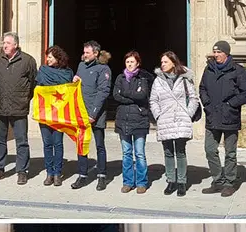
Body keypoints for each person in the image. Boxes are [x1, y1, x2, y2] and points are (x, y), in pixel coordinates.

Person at [199, 40, 246, 197]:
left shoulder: (238, 70)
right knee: (210, 149)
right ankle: (218, 180)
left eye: (219, 52)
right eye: (214, 52)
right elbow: (202, 88)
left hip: (230, 116)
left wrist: (231, 104)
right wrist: (207, 103)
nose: (216, 55)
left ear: (226, 53)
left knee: (230, 152)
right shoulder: (209, 69)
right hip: (212, 116)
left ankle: (229, 182)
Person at [0, 32, 37, 185]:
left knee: (21, 141)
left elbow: (33, 82)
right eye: (4, 43)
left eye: (8, 43)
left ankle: (22, 171)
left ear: (16, 45)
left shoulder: (27, 60)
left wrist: (24, 98)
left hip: (19, 107)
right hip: (0, 106)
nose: (5, 46)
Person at [150, 51, 200, 197]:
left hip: (180, 119)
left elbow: (193, 98)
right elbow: (153, 100)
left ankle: (182, 182)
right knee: (168, 152)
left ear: (173, 62)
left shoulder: (184, 78)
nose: (162, 64)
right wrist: (158, 115)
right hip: (165, 119)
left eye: (165, 62)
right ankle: (171, 180)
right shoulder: (158, 80)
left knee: (180, 151)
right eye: (162, 62)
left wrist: (188, 113)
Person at [71, 40, 112, 191]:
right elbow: (77, 87)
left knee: (99, 145)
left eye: (87, 53)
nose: (85, 55)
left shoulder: (103, 69)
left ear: (95, 53)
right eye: (84, 52)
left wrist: (93, 114)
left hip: (96, 114)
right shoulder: (81, 66)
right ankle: (82, 175)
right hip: (81, 113)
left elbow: (103, 92)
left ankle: (102, 175)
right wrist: (74, 80)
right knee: (82, 145)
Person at [113, 51, 153, 194]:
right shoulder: (120, 78)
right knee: (126, 153)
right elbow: (116, 95)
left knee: (140, 153)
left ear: (138, 63)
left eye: (132, 62)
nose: (129, 64)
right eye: (127, 62)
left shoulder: (142, 78)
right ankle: (128, 182)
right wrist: (133, 97)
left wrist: (125, 93)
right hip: (123, 119)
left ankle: (141, 182)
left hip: (139, 120)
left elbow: (142, 95)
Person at [36, 45, 74, 186]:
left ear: (58, 58)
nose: (48, 59)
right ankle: (49, 173)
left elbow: (67, 88)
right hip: (45, 112)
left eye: (50, 57)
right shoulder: (43, 70)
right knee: (47, 143)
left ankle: (57, 173)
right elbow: (40, 84)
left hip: (59, 113)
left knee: (58, 143)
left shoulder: (67, 72)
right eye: (47, 57)